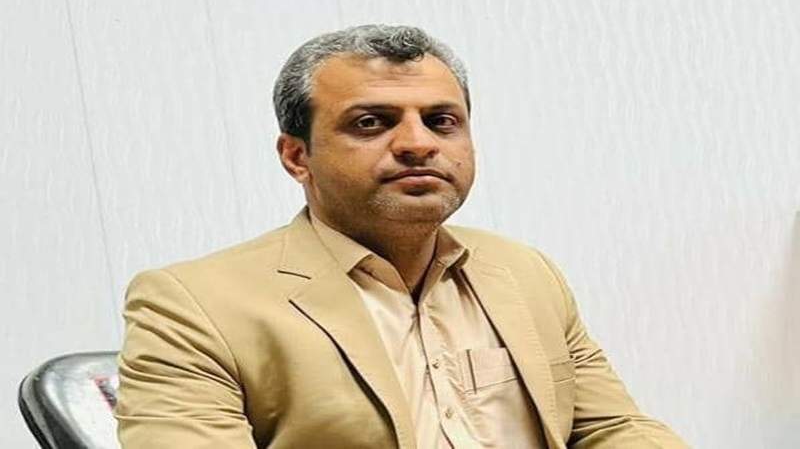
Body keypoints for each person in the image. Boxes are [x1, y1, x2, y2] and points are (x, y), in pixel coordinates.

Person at [115, 24, 687, 449]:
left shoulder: (523, 271)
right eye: (371, 123)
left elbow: (613, 428)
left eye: (441, 121)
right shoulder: (193, 305)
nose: (418, 143)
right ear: (296, 156)